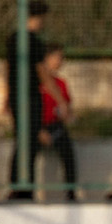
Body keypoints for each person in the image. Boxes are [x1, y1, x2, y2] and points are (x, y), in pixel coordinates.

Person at [5, 0, 49, 200]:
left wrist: (7, 95)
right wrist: (61, 100)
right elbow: (42, 73)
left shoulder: (13, 38)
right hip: (30, 98)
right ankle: (25, 187)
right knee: (30, 142)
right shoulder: (34, 41)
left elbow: (7, 69)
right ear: (38, 17)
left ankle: (17, 186)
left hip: (15, 96)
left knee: (21, 140)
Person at [37, 43, 79, 201]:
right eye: (59, 57)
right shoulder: (35, 84)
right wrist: (38, 131)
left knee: (67, 150)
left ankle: (70, 193)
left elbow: (68, 110)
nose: (61, 61)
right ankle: (22, 190)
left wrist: (68, 115)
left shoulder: (61, 84)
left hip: (55, 127)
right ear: (47, 58)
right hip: (36, 126)